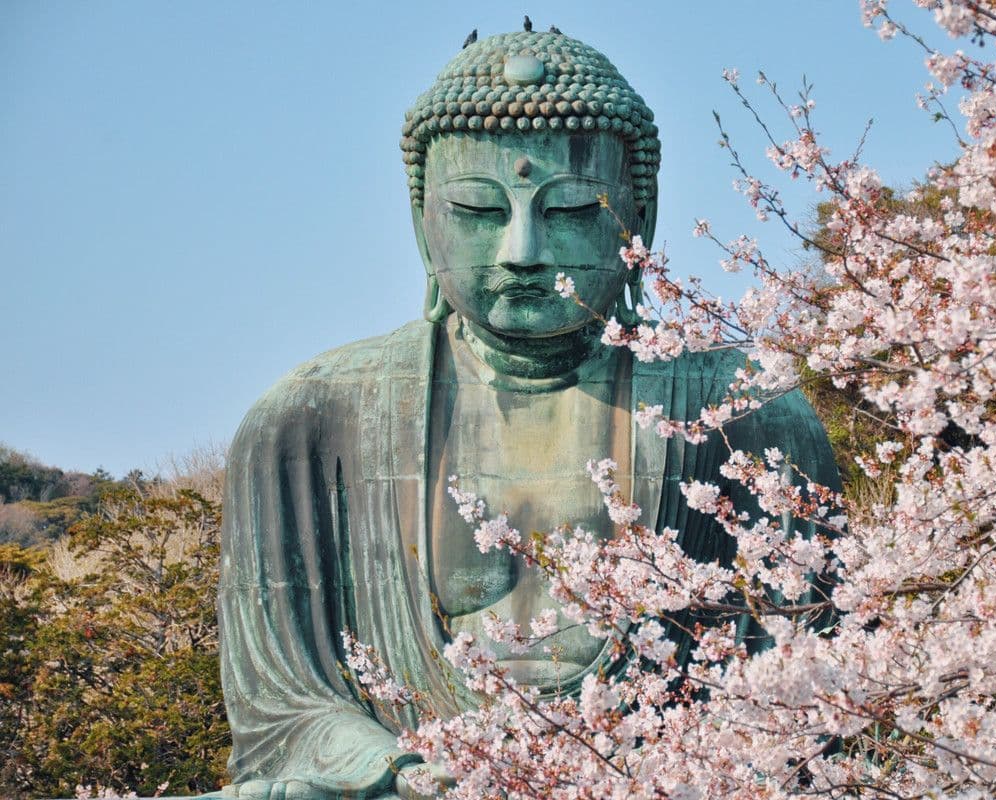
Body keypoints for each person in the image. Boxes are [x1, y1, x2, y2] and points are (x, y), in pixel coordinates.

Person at [218, 29, 839, 800]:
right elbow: (284, 713)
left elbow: (814, 683)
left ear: (636, 221)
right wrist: (400, 771)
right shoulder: (306, 424)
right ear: (421, 223)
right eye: (477, 209)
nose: (522, 248)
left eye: (573, 208)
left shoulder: (739, 409)